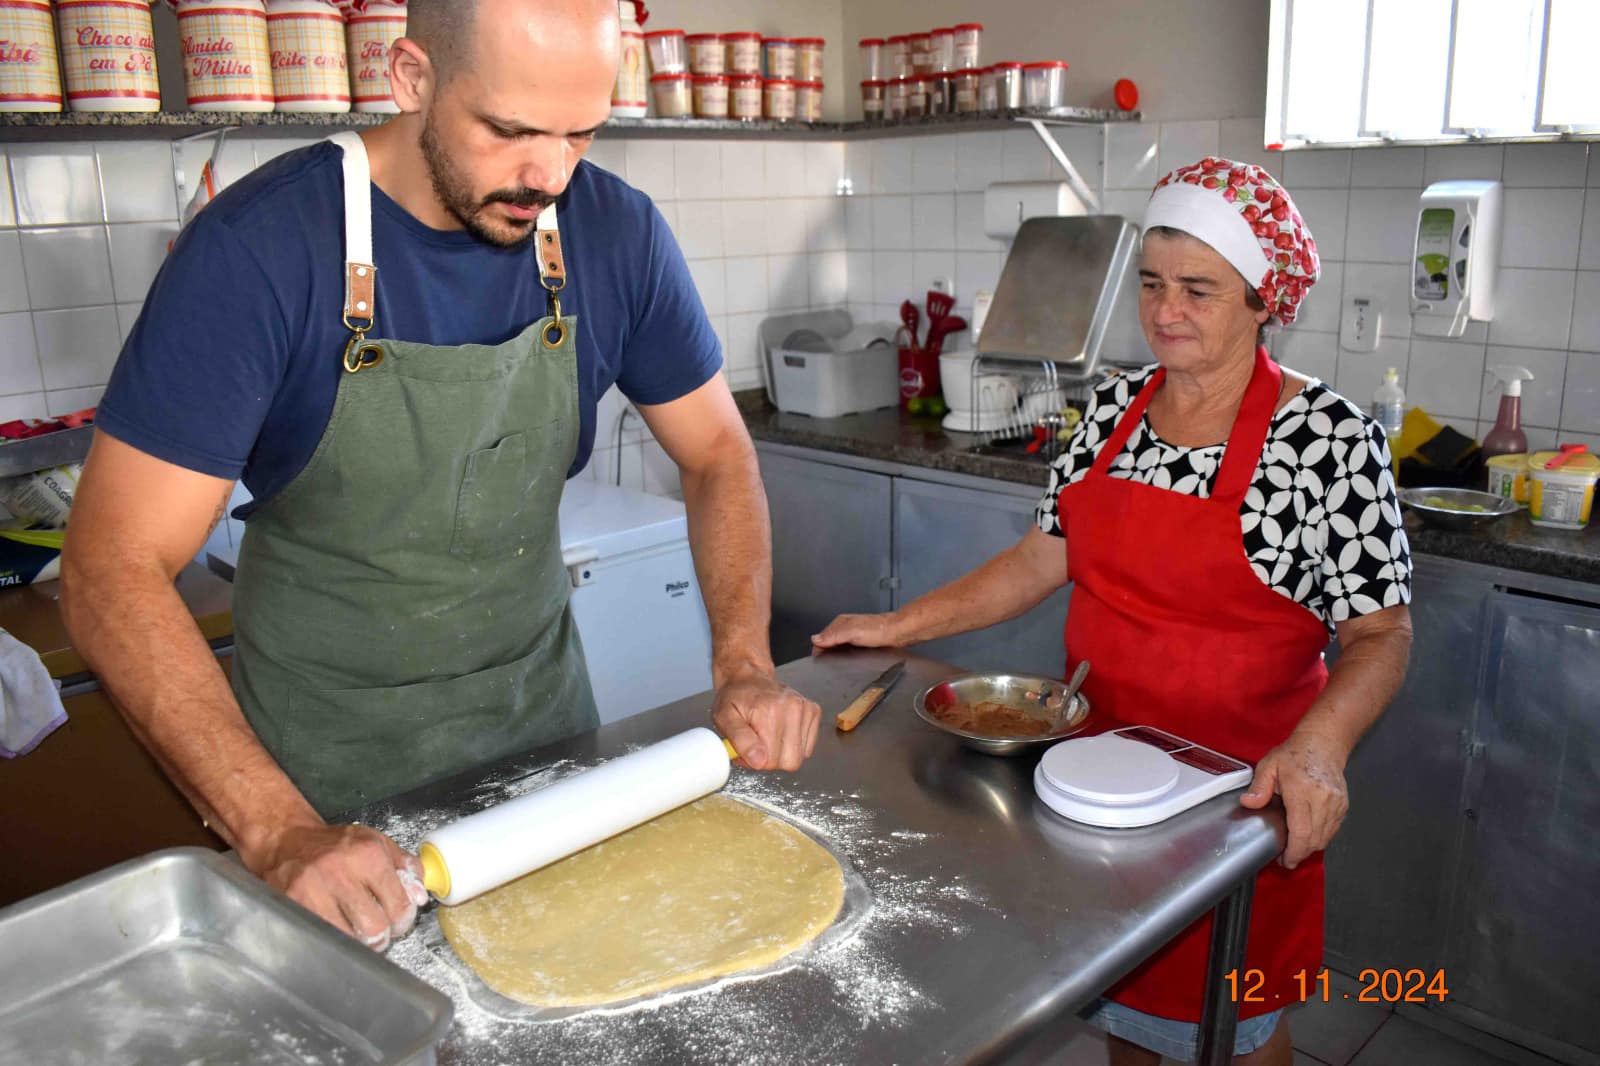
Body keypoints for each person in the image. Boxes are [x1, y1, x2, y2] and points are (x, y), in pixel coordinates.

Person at [59, 0, 820, 953]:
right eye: (508, 131)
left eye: (581, 132)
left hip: (549, 769)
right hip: (324, 794)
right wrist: (278, 829)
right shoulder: (262, 249)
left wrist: (743, 665)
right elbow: (107, 568)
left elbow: (716, 453)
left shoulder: (614, 233)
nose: (549, 176)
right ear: (410, 77)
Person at [815, 158, 1414, 1066]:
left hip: (1238, 799)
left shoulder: (1329, 441)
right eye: (1152, 283)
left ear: (1264, 301)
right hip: (1091, 782)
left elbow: (1381, 632)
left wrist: (1320, 750)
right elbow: (1041, 557)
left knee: (1234, 1024)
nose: (1166, 310)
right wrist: (895, 626)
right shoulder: (1108, 413)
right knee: (1127, 1012)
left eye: (1200, 291)